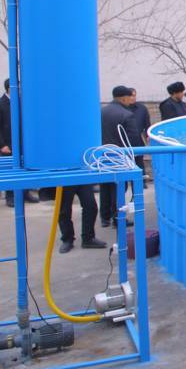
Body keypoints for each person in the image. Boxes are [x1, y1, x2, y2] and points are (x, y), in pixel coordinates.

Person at [0, 78, 37, 207]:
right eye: (18, 86)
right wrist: (2, 145)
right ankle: (10, 196)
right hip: (8, 143)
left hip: (23, 143)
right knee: (10, 170)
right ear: (10, 88)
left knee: (24, 167)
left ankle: (25, 193)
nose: (20, 89)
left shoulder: (22, 102)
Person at [100, 86, 137, 229]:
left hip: (102, 156)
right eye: (129, 97)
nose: (131, 99)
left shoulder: (101, 111)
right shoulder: (126, 114)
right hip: (119, 158)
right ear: (124, 98)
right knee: (119, 188)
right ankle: (118, 218)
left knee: (105, 186)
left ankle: (105, 217)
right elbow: (132, 139)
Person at [57, 184, 103, 253]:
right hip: (65, 180)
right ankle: (67, 239)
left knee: (91, 206)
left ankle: (88, 238)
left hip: (83, 179)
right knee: (64, 211)